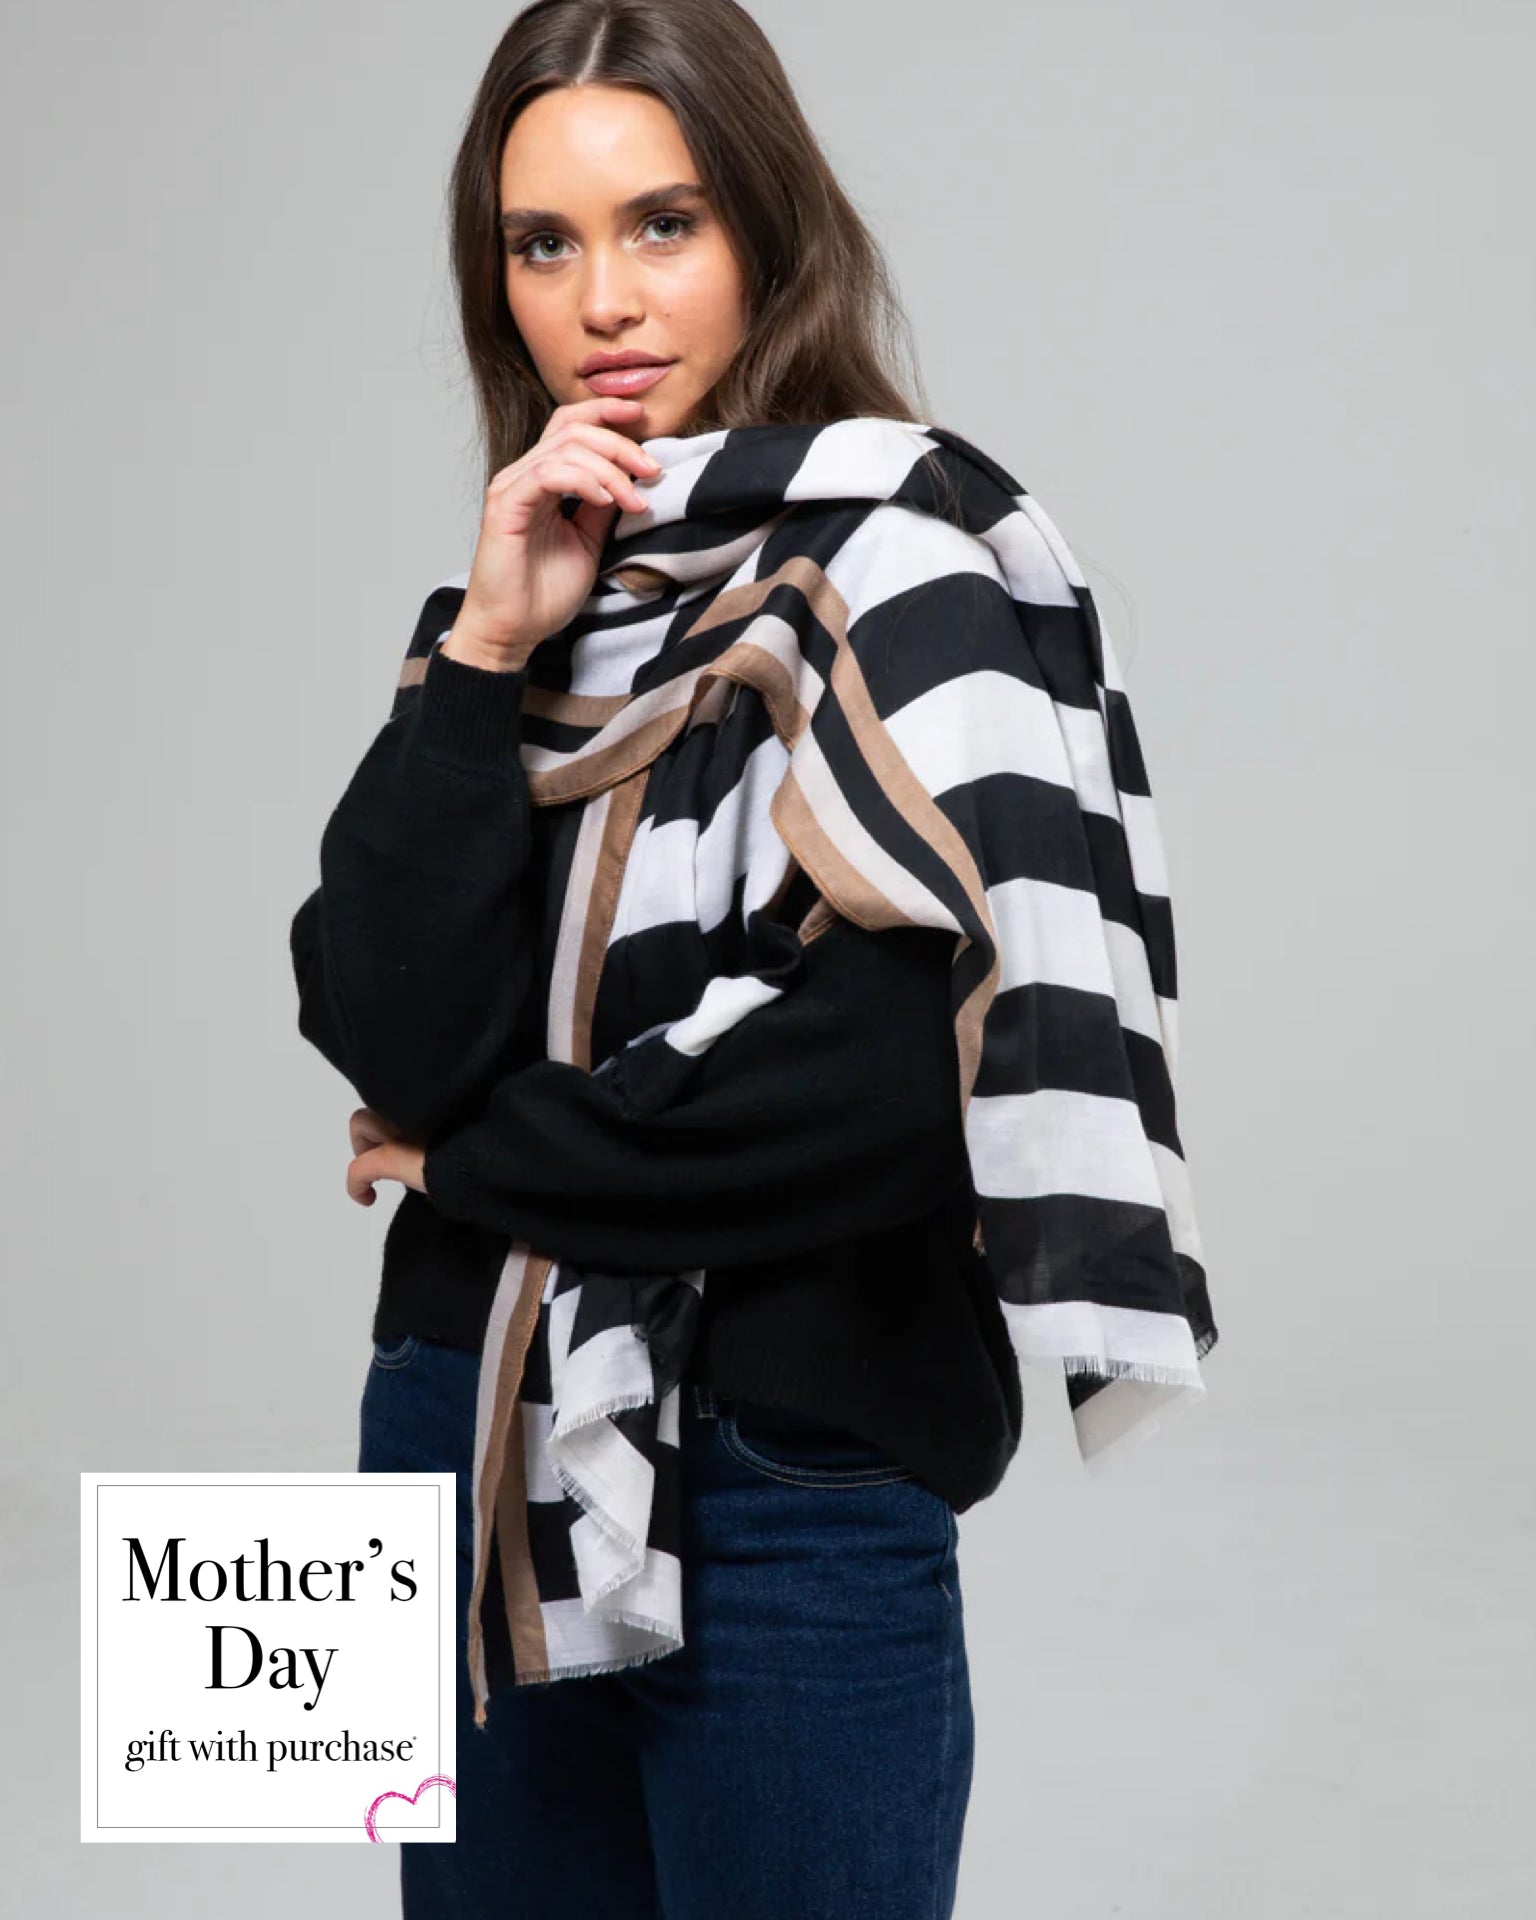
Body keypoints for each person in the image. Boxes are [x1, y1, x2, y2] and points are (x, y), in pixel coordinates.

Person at [289, 3, 1214, 1915]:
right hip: (450, 1440)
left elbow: (871, 1101)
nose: (604, 302)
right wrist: (483, 654)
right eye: (542, 244)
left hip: (779, 1476)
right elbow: (380, 1019)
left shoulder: (912, 562)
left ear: (767, 232)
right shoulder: (508, 608)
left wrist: (472, 1160)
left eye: (665, 222)